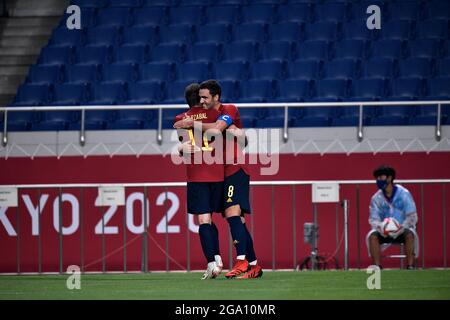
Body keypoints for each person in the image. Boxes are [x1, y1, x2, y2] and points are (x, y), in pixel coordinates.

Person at [175, 79, 263, 279]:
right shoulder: (213, 115)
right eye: (201, 98)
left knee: (230, 216)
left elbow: (216, 130)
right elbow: (238, 137)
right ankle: (254, 266)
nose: (203, 101)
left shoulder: (227, 110)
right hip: (223, 172)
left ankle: (238, 261)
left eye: (206, 97)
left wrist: (189, 127)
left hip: (234, 170)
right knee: (237, 219)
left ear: (216, 97)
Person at [174, 83, 224, 280]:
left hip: (198, 175)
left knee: (203, 220)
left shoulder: (180, 119)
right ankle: (218, 257)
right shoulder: (216, 116)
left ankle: (211, 263)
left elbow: (185, 146)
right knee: (212, 220)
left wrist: (180, 149)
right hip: (219, 173)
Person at [367, 165, 418, 270]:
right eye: (377, 178)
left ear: (389, 178)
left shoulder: (404, 194)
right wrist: (381, 227)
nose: (378, 180)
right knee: (372, 236)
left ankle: (410, 266)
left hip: (402, 230)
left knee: (409, 235)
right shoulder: (376, 198)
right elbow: (373, 219)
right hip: (383, 231)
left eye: (381, 177)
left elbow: (412, 216)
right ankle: (377, 267)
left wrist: (401, 228)